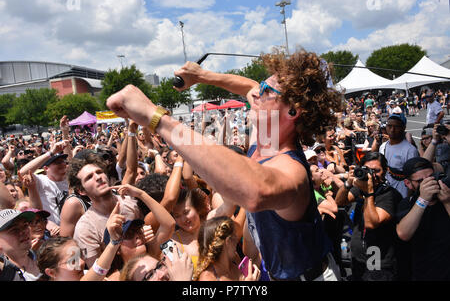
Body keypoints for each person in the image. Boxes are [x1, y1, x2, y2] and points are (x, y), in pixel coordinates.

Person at [106, 49, 342, 281]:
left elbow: (255, 190)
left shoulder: (290, 168)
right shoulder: (269, 136)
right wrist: (201, 76)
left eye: (266, 91)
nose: (256, 94)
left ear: (293, 111)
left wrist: (154, 117)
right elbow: (248, 86)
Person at [335, 152, 402, 281]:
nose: (372, 175)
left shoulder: (390, 194)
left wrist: (369, 193)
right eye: (368, 170)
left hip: (377, 258)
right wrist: (348, 183)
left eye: (376, 170)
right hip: (358, 258)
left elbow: (371, 223)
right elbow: (340, 201)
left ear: (385, 171)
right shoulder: (362, 187)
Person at [396, 157, 450, 280]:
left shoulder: (447, 196)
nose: (428, 183)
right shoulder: (407, 204)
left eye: (431, 177)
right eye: (420, 181)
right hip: (424, 273)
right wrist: (423, 199)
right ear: (408, 183)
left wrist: (447, 202)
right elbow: (404, 234)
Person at [194, 216, 260, 281]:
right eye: (234, 236)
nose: (237, 241)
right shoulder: (207, 279)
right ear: (228, 241)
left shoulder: (235, 259)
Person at [375, 113, 419, 198]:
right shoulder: (383, 146)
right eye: (389, 126)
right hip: (386, 194)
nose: (392, 129)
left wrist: (407, 201)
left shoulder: (410, 150)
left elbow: (413, 177)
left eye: (396, 126)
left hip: (402, 195)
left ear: (403, 128)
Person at [0, 209, 41, 280]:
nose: (23, 231)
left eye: (25, 225)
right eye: (14, 230)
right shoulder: (4, 272)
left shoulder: (44, 257)